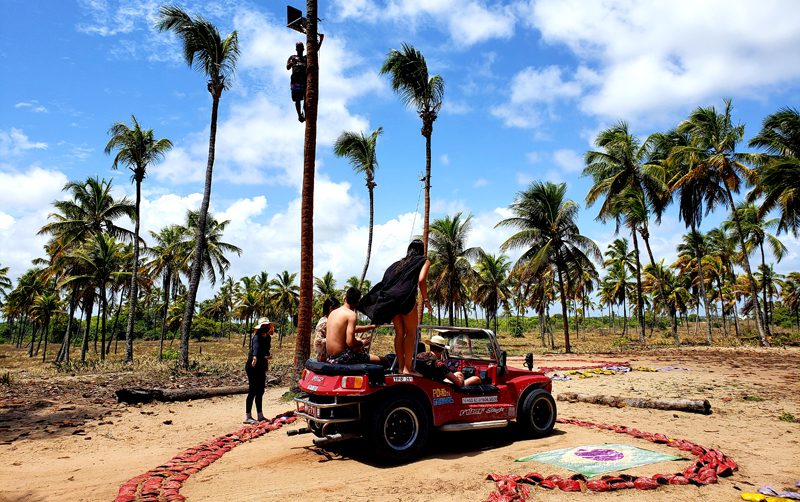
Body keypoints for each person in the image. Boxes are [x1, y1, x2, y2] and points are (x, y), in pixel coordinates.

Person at [358, 239, 431, 376]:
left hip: (390, 299)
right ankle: (408, 370)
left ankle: (400, 367)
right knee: (411, 333)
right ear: (422, 251)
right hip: (406, 298)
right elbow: (421, 280)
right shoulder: (423, 260)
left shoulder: (397, 264)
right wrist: (426, 299)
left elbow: (385, 281)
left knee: (399, 333)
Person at [326, 287, 382, 365]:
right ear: (357, 303)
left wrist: (371, 326)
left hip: (330, 357)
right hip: (342, 357)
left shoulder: (333, 313)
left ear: (345, 298)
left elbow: (351, 329)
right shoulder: (351, 315)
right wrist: (362, 343)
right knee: (383, 360)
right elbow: (350, 342)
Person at [416, 335, 482, 387]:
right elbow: (459, 384)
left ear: (430, 346)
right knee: (476, 379)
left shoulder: (419, 357)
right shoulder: (439, 364)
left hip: (430, 383)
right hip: (441, 385)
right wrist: (460, 376)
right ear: (442, 350)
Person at [286, 35, 323, 123]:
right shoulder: (292, 57)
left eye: (301, 47)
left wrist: (320, 41)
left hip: (305, 80)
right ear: (296, 49)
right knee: (297, 99)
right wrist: (292, 63)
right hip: (295, 79)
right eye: (298, 47)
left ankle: (306, 115)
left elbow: (314, 52)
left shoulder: (306, 58)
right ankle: (299, 115)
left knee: (307, 98)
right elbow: (287, 67)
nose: (299, 48)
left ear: (303, 49)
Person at [244, 317, 273, 424]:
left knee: (260, 390)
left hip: (261, 365)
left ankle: (260, 415)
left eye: (267, 326)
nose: (266, 328)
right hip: (252, 365)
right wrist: (255, 357)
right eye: (264, 326)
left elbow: (266, 352)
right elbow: (255, 349)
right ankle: (248, 416)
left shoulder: (268, 338)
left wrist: (267, 357)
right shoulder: (256, 337)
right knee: (253, 390)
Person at [314, 296, 340, 361]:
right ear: (331, 308)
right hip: (323, 356)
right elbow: (318, 341)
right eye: (337, 310)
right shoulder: (325, 322)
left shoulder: (329, 320)